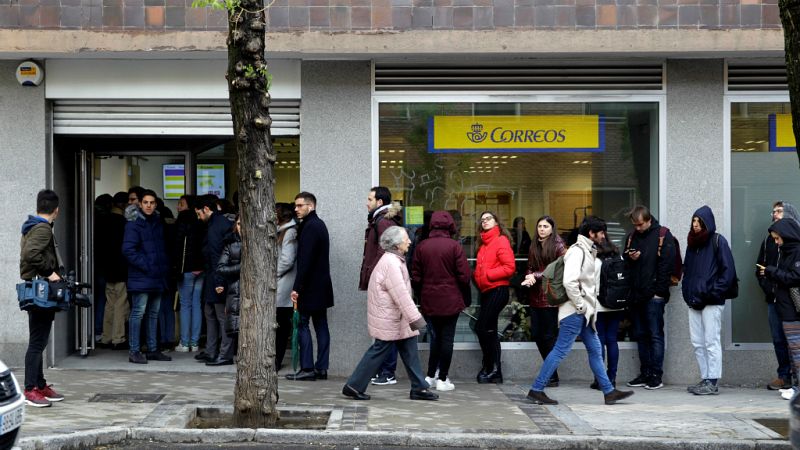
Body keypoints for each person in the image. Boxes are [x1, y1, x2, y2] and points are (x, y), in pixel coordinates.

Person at [526, 216, 635, 406]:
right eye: (601, 232)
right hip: (576, 312)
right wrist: (580, 305)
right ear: (591, 233)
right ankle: (537, 389)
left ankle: (609, 391)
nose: (603, 236)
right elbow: (569, 281)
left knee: (594, 350)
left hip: (583, 313)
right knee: (560, 350)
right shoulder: (577, 251)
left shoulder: (587, 250)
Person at [342, 226, 438, 401]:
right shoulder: (392, 263)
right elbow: (401, 295)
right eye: (405, 238)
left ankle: (419, 387)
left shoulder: (392, 260)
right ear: (396, 244)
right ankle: (353, 385)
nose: (409, 241)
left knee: (409, 350)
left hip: (395, 317)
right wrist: (417, 320)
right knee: (379, 350)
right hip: (391, 318)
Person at [411, 211, 471, 391]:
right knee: (447, 340)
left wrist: (422, 294)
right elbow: (464, 276)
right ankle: (442, 378)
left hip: (429, 300)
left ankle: (430, 375)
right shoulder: (455, 246)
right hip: (451, 300)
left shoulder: (422, 246)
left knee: (434, 339)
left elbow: (415, 276)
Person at [683, 205, 737, 395]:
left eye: (699, 221)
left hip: (711, 301)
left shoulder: (718, 241)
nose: (696, 225)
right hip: (694, 300)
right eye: (694, 221)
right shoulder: (692, 243)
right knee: (697, 342)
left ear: (708, 223)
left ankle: (712, 381)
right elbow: (687, 270)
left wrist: (712, 292)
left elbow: (728, 271)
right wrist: (687, 291)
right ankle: (705, 377)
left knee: (711, 341)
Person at [19, 189, 66, 407]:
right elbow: (31, 255)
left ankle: (39, 384)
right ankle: (30, 389)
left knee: (39, 339)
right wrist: (51, 273)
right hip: (41, 291)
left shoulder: (34, 226)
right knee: (37, 342)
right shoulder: (42, 229)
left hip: (37, 290)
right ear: (56, 210)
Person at [623, 205, 676, 390]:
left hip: (654, 296)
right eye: (634, 225)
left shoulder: (663, 235)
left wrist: (659, 292)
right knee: (641, 335)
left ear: (648, 220)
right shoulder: (632, 236)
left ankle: (656, 375)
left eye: (640, 224)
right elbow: (626, 263)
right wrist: (631, 257)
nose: (637, 228)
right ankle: (645, 373)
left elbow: (666, 265)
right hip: (636, 294)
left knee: (654, 335)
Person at [286, 192, 334, 381]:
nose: (296, 209)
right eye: (295, 206)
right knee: (321, 325)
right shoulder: (318, 225)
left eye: (300, 206)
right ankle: (321, 368)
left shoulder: (310, 227)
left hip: (309, 286)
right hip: (320, 286)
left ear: (310, 206)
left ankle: (307, 368)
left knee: (303, 325)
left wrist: (297, 287)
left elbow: (305, 261)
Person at [359, 186, 403, 386]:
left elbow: (386, 251)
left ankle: (387, 372)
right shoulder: (379, 220)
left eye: (369, 199)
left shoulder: (383, 221)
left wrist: (376, 276)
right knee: (384, 327)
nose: (366, 202)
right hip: (384, 281)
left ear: (379, 202)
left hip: (383, 283)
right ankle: (384, 371)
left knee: (386, 328)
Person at [122, 189, 172, 364]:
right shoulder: (133, 223)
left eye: (152, 202)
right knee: (138, 313)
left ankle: (152, 349)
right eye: (145, 202)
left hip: (157, 276)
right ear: (140, 204)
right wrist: (147, 266)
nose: (149, 206)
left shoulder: (157, 222)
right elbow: (128, 250)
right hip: (142, 276)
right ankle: (134, 351)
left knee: (153, 313)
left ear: (156, 204)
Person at [756, 201, 800, 390]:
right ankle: (785, 376)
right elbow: (760, 267)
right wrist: (768, 287)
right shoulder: (769, 241)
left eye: (779, 211)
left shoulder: (794, 243)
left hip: (793, 302)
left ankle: (796, 384)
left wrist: (773, 273)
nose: (775, 214)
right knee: (780, 340)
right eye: (773, 211)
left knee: (795, 344)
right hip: (775, 298)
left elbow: (793, 276)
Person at [521, 215, 566, 388]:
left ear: (552, 228)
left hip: (550, 295)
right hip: (535, 295)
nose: (542, 229)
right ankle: (551, 374)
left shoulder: (558, 245)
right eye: (539, 226)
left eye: (546, 226)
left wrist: (536, 276)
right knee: (538, 335)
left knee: (548, 336)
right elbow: (530, 266)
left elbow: (559, 270)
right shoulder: (535, 244)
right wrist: (529, 276)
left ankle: (552, 375)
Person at [472, 210, 516, 384]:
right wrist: (478, 276)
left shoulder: (501, 241)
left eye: (489, 218)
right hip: (486, 291)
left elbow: (509, 267)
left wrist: (488, 275)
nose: (485, 221)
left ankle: (493, 367)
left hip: (498, 290)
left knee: (482, 328)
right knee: (488, 329)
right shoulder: (483, 245)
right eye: (482, 220)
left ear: (497, 222)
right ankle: (491, 368)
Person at [195, 194, 234, 366]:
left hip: (217, 278)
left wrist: (219, 282)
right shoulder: (219, 224)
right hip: (215, 277)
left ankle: (224, 354)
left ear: (206, 209)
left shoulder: (215, 227)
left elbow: (217, 256)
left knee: (219, 316)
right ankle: (212, 351)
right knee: (211, 313)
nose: (198, 217)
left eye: (199, 213)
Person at [96, 191, 130, 351]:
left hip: (107, 268)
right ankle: (118, 338)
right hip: (121, 267)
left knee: (109, 303)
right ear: (124, 205)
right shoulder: (124, 223)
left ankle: (106, 337)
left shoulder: (103, 221)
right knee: (120, 303)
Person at [591, 239, 626, 389]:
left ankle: (600, 380)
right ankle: (612, 378)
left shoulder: (595, 262)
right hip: (617, 305)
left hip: (599, 305)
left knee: (599, 340)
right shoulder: (620, 259)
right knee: (612, 340)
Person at [174, 194, 206, 352]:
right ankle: (195, 343)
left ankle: (185, 343)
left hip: (186, 268)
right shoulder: (201, 220)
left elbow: (178, 243)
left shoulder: (183, 219)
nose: (178, 207)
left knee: (185, 305)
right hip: (201, 269)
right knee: (196, 304)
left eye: (181, 203)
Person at [275, 202, 298, 371]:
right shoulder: (283, 231)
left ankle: (276, 360)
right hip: (282, 283)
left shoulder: (289, 232)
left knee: (281, 326)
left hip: (284, 284)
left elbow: (287, 260)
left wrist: (272, 274)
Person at [216, 215, 241, 348]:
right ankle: (226, 355)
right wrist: (241, 267)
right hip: (235, 290)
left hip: (255, 293)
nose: (241, 227)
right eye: (238, 224)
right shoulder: (230, 244)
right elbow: (220, 268)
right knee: (234, 327)